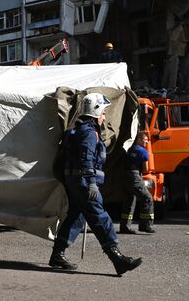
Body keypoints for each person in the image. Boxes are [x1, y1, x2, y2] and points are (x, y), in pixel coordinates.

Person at [49, 93, 142, 276]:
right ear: (96, 111)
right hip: (84, 183)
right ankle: (117, 259)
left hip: (74, 181)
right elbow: (87, 158)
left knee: (76, 217)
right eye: (104, 112)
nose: (105, 116)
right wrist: (91, 183)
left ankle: (57, 254)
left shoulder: (78, 130)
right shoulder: (89, 133)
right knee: (100, 217)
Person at [120, 132, 155, 234]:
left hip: (125, 176)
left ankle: (125, 227)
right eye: (144, 140)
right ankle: (145, 225)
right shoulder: (143, 151)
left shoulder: (129, 149)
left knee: (129, 200)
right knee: (147, 198)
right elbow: (145, 169)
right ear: (139, 139)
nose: (146, 143)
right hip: (135, 175)